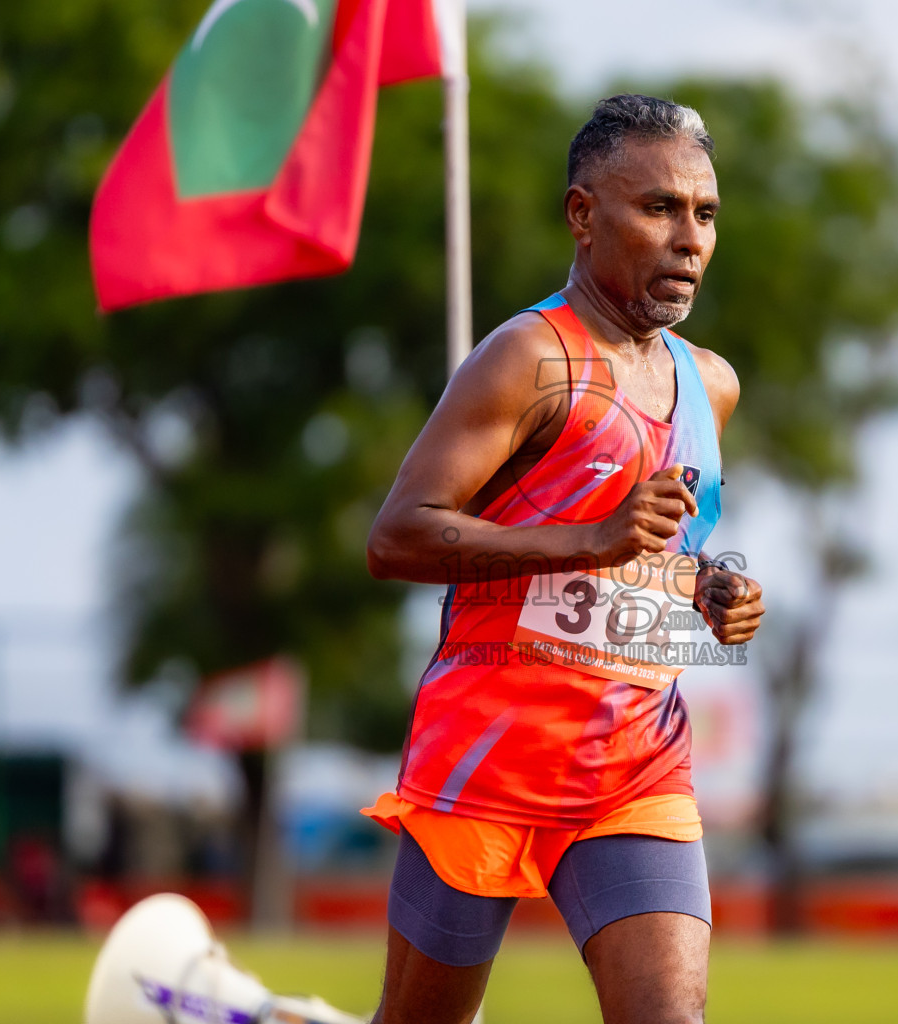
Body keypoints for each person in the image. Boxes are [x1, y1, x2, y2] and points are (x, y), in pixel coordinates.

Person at [362, 94, 765, 1024]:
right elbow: (398, 535)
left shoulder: (711, 384)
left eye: (704, 214)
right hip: (487, 757)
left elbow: (665, 545)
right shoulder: (526, 358)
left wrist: (713, 590)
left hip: (634, 760)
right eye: (659, 208)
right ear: (583, 215)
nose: (690, 238)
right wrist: (589, 539)